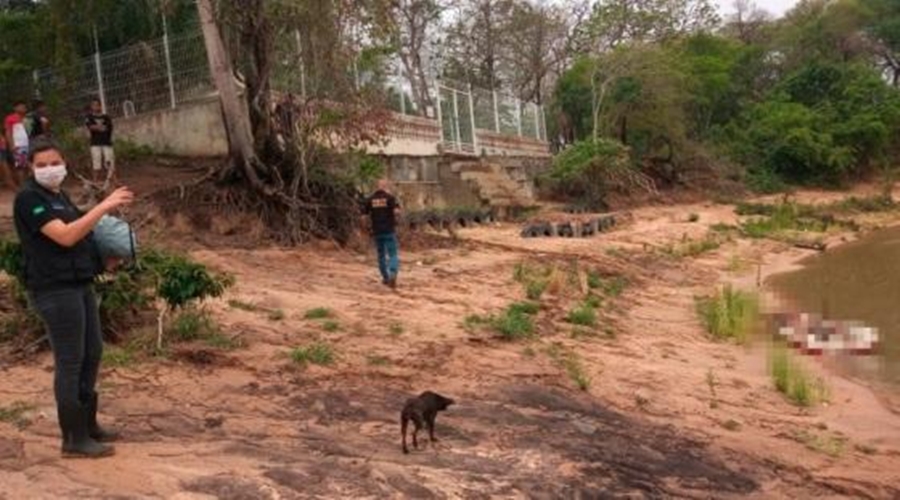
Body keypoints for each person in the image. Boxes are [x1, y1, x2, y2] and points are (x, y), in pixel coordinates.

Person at [13, 138, 134, 458]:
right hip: (54, 289)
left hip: (79, 283)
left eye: (54, 162)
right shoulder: (29, 199)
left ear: (64, 162)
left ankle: (88, 425)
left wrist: (106, 257)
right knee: (70, 360)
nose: (49, 169)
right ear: (30, 168)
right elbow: (65, 236)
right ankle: (73, 438)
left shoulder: (59, 196)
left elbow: (83, 235)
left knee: (92, 352)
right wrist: (103, 206)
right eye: (41, 165)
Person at [362, 179, 401, 288]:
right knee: (392, 254)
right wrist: (396, 219)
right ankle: (393, 273)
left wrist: (366, 229)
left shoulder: (370, 199)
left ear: (377, 186)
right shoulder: (390, 198)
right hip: (389, 230)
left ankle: (385, 277)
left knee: (381, 255)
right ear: (386, 186)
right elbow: (397, 212)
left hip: (377, 231)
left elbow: (364, 217)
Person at [85, 99, 115, 186]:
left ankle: (114, 181)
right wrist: (100, 127)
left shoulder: (106, 117)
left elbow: (108, 128)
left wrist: (97, 127)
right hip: (95, 143)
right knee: (96, 163)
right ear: (91, 107)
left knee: (110, 162)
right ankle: (95, 181)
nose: (95, 107)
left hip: (106, 142)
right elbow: (91, 127)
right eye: (93, 105)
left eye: (97, 105)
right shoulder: (89, 117)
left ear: (100, 106)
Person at [5, 100, 30, 187]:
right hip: (18, 145)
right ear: (15, 108)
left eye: (24, 107)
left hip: (27, 144)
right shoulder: (10, 118)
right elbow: (8, 132)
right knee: (20, 166)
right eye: (20, 106)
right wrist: (12, 145)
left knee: (27, 165)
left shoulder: (27, 119)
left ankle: (28, 185)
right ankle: (23, 186)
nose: (23, 108)